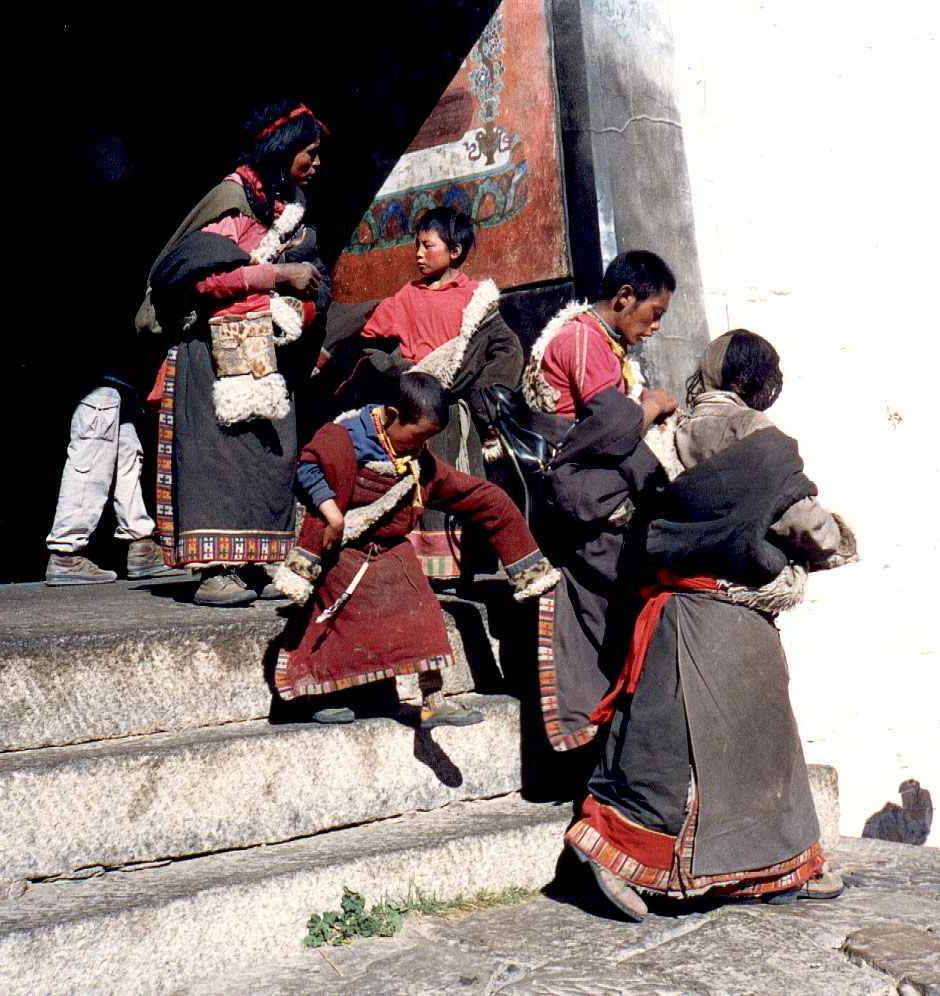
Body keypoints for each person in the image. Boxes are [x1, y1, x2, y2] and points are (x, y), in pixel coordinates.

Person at [564, 329, 855, 921]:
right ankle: (770, 868)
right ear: (757, 381)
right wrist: (837, 542)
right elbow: (803, 522)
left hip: (672, 615)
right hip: (734, 622)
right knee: (759, 752)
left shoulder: (668, 433)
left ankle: (628, 855)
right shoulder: (760, 438)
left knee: (656, 752)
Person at [273, 373, 559, 725]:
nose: (422, 445)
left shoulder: (417, 461)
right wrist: (333, 517)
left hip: (391, 553)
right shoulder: (340, 440)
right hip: (343, 553)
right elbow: (308, 468)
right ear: (391, 416)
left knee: (424, 615)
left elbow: (477, 497)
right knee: (334, 626)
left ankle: (433, 700)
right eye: (419, 435)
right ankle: (320, 694)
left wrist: (528, 570)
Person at [136, 98, 331, 606]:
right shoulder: (232, 200)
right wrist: (279, 275)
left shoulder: (285, 209)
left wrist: (303, 305)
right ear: (282, 149)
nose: (316, 164)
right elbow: (203, 279)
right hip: (210, 360)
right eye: (308, 153)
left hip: (261, 357)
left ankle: (256, 559)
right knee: (217, 461)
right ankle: (213, 572)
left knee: (266, 454)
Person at [519, 251, 677, 751]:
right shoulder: (584, 341)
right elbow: (610, 429)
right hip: (577, 496)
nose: (654, 328)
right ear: (624, 297)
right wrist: (650, 405)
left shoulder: (601, 342)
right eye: (653, 314)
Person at [325, 206, 524, 579]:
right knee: (415, 484)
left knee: (460, 483)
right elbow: (369, 329)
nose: (417, 254)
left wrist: (487, 394)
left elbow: (507, 349)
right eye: (416, 245)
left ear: (454, 252)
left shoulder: (477, 300)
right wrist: (395, 368)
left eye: (426, 246)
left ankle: (464, 565)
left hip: (456, 415)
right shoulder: (407, 297)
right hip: (416, 411)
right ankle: (423, 566)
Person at [42, 367, 187, 585]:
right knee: (91, 460)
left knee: (128, 455)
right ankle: (65, 553)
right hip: (99, 381)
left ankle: (142, 544)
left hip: (119, 385)